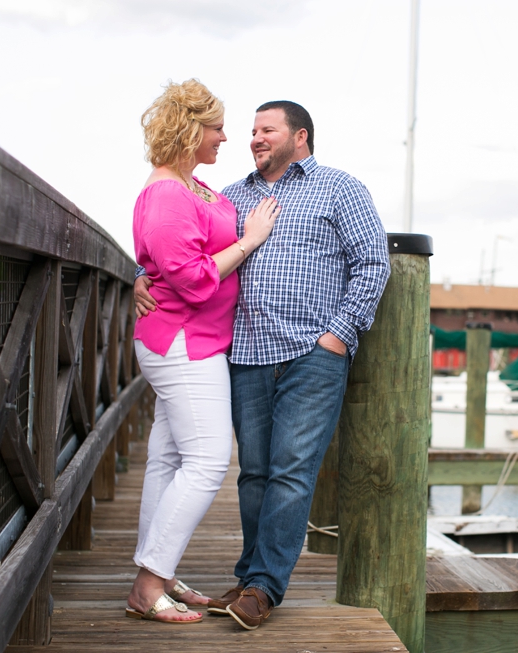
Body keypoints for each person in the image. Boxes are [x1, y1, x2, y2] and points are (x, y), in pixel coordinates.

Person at [135, 100, 390, 630]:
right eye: (251, 130)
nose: (253, 138)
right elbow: (182, 244)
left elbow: (372, 262)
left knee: (292, 474)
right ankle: (250, 576)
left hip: (312, 355)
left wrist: (339, 336)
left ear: (300, 136)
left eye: (266, 129)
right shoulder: (230, 195)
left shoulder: (340, 188)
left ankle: (264, 587)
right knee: (253, 475)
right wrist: (142, 275)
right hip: (245, 353)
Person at [126, 79, 280, 624]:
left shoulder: (192, 186)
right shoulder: (168, 192)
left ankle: (159, 572)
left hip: (197, 339)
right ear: (190, 130)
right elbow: (192, 280)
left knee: (169, 459)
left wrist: (141, 274)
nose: (225, 135)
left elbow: (164, 257)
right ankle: (148, 586)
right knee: (210, 459)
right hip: (183, 341)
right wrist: (250, 241)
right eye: (216, 126)